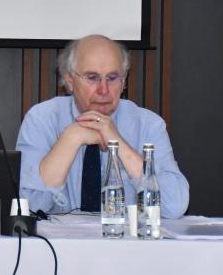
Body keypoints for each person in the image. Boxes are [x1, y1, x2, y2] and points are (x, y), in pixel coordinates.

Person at [15, 34, 189, 217]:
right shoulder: (42, 119)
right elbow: (29, 206)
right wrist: (70, 139)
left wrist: (117, 143)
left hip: (123, 235)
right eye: (92, 77)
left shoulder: (148, 125)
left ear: (123, 82)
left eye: (112, 78)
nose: (103, 90)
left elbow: (174, 206)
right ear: (70, 81)